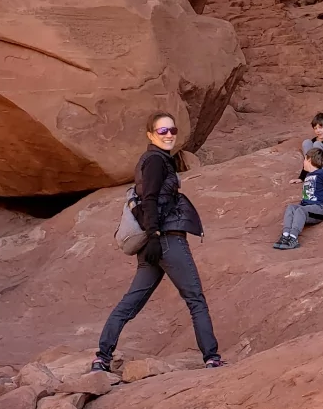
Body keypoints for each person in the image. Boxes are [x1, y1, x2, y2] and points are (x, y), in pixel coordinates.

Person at [91, 112, 225, 372]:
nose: (169, 135)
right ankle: (212, 358)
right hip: (166, 239)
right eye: (162, 131)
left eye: (172, 130)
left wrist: (152, 239)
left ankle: (102, 357)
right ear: (150, 134)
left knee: (131, 301)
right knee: (195, 299)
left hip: (154, 243)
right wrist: (154, 235)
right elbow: (150, 199)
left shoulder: (156, 159)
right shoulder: (155, 160)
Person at [275, 148, 323, 250]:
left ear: (309, 160)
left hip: (319, 209)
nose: (303, 162)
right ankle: (285, 235)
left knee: (300, 210)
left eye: (304, 159)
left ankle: (293, 237)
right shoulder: (308, 176)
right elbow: (307, 195)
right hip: (307, 208)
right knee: (291, 207)